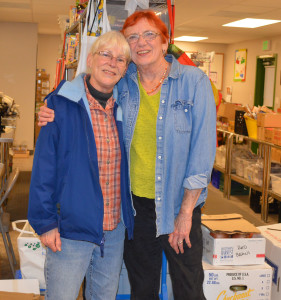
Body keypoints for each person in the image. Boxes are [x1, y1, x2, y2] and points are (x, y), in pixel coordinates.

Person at [38, 10, 216, 300]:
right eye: (133, 37)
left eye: (150, 35)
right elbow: (89, 81)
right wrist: (53, 103)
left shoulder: (194, 82)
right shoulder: (125, 81)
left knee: (188, 287)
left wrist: (185, 213)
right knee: (142, 288)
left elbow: (203, 151)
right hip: (135, 211)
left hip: (178, 205)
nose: (141, 42)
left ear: (164, 41)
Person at [28, 31, 134, 300]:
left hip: (112, 230)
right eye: (105, 54)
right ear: (90, 59)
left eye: (120, 59)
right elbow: (44, 169)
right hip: (70, 230)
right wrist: (46, 223)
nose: (112, 63)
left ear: (125, 69)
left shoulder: (125, 108)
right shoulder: (60, 105)